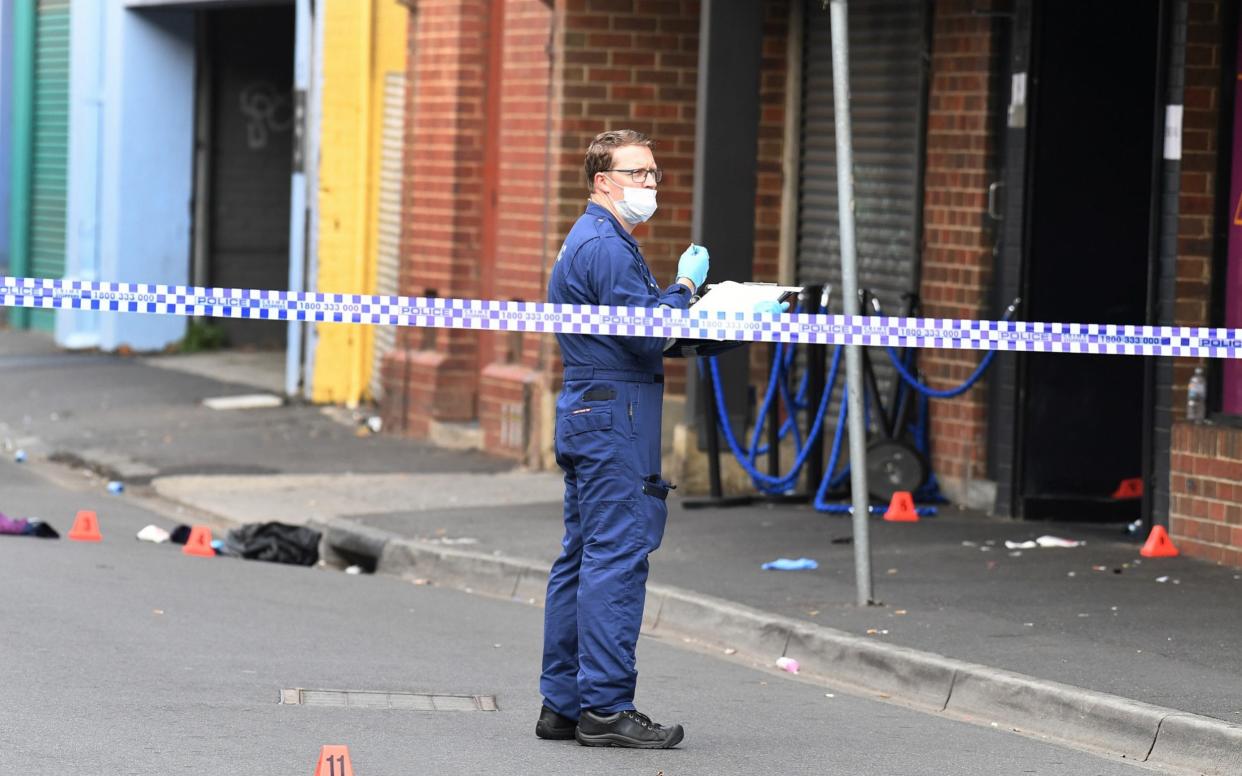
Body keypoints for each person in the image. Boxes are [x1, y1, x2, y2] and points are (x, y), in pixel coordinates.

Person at [536, 129, 708, 749]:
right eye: (637, 174)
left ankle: (563, 702)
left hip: (589, 406)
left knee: (581, 557)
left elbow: (631, 314)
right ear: (601, 181)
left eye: (654, 174)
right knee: (616, 556)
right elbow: (644, 335)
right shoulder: (607, 245)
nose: (650, 185)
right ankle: (606, 708)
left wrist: (673, 301)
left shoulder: (591, 239)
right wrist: (689, 294)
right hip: (615, 415)